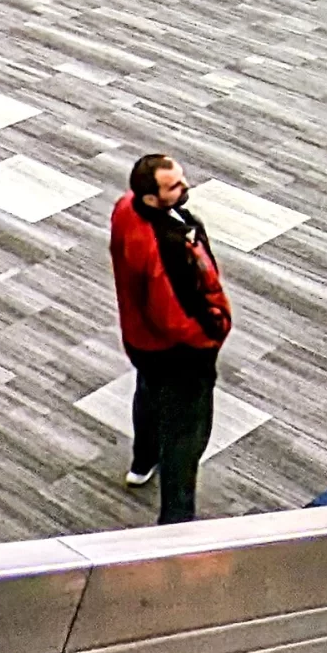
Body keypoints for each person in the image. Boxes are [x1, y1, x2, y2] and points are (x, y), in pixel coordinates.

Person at [110, 153, 231, 523]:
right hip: (179, 353)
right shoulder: (163, 247)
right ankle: (175, 524)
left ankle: (142, 462)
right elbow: (173, 318)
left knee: (148, 393)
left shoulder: (126, 208)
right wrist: (213, 331)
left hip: (140, 341)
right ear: (152, 198)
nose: (186, 187)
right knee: (185, 437)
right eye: (175, 186)